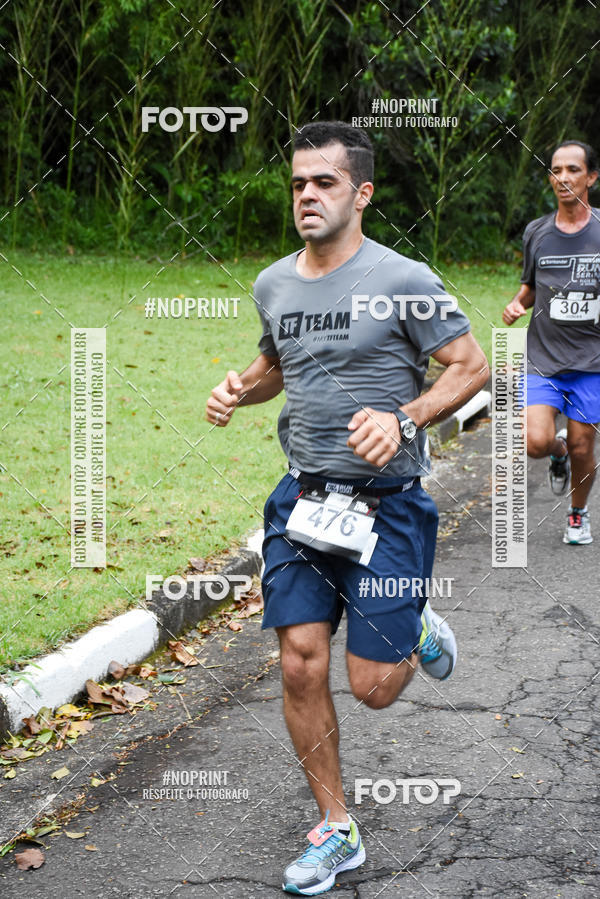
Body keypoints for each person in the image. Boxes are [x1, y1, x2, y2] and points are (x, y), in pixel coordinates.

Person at [206, 121, 489, 895]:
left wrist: (406, 416)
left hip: (388, 504)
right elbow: (277, 361)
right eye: (298, 182)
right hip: (302, 498)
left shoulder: (404, 278)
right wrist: (241, 387)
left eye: (324, 183)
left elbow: (470, 365)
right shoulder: (274, 283)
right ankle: (337, 827)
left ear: (361, 193)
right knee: (300, 659)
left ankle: (419, 626)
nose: (306, 195)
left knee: (371, 684)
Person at [503, 140, 600, 545]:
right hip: (543, 358)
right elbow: (529, 287)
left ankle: (577, 514)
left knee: (583, 447)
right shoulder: (537, 233)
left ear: (591, 177)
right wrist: (517, 304)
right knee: (535, 442)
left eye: (573, 169)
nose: (563, 177)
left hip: (592, 363)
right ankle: (555, 453)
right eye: (556, 170)